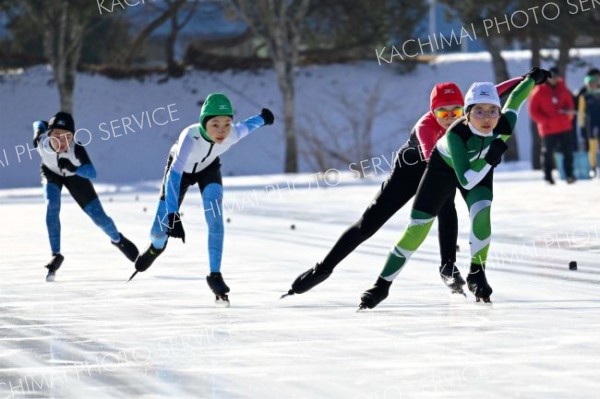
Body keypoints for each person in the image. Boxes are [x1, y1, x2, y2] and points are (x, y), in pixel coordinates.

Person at [283, 77, 525, 299]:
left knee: (447, 203)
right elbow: (432, 158)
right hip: (411, 171)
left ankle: (448, 266)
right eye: (442, 111)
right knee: (368, 224)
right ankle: (323, 269)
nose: (450, 116)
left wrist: (523, 80)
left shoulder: (471, 117)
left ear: (466, 109)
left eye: (457, 110)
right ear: (433, 112)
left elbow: (495, 92)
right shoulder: (426, 127)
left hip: (448, 164)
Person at [358, 67, 551, 310]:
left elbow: (516, 98)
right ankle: (381, 285)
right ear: (467, 115)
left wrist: (533, 78)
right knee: (416, 230)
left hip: (479, 169)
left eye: (493, 111)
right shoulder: (456, 135)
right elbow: (466, 179)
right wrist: (490, 158)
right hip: (444, 170)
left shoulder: (504, 123)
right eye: (478, 112)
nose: (487, 118)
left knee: (482, 214)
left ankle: (476, 274)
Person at [132, 93, 274, 305]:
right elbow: (174, 175)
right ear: (203, 123)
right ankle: (156, 248)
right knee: (157, 232)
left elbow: (248, 125)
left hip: (208, 170)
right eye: (215, 124)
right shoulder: (190, 137)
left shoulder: (232, 133)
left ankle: (214, 275)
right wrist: (173, 215)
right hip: (179, 174)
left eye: (227, 123)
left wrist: (264, 118)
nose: (222, 131)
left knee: (215, 218)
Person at [32, 112, 139, 282]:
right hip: (51, 173)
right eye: (57, 136)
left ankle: (118, 240)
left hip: (74, 176)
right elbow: (38, 123)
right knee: (51, 207)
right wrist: (39, 130)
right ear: (49, 134)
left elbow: (92, 172)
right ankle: (56, 255)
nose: (61, 142)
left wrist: (74, 168)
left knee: (99, 218)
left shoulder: (77, 148)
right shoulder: (41, 143)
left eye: (67, 137)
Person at [529, 66, 576, 184]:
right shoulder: (538, 91)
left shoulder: (563, 89)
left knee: (568, 152)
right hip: (548, 129)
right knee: (548, 153)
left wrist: (568, 114)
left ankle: (569, 175)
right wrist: (545, 121)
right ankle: (548, 176)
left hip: (564, 126)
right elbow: (533, 110)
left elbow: (570, 105)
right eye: (552, 77)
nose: (554, 79)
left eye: (556, 77)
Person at [577, 72, 600, 178]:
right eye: (590, 83)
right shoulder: (584, 96)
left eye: (594, 83)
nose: (592, 85)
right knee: (592, 147)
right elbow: (581, 112)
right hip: (591, 124)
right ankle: (593, 167)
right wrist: (581, 126)